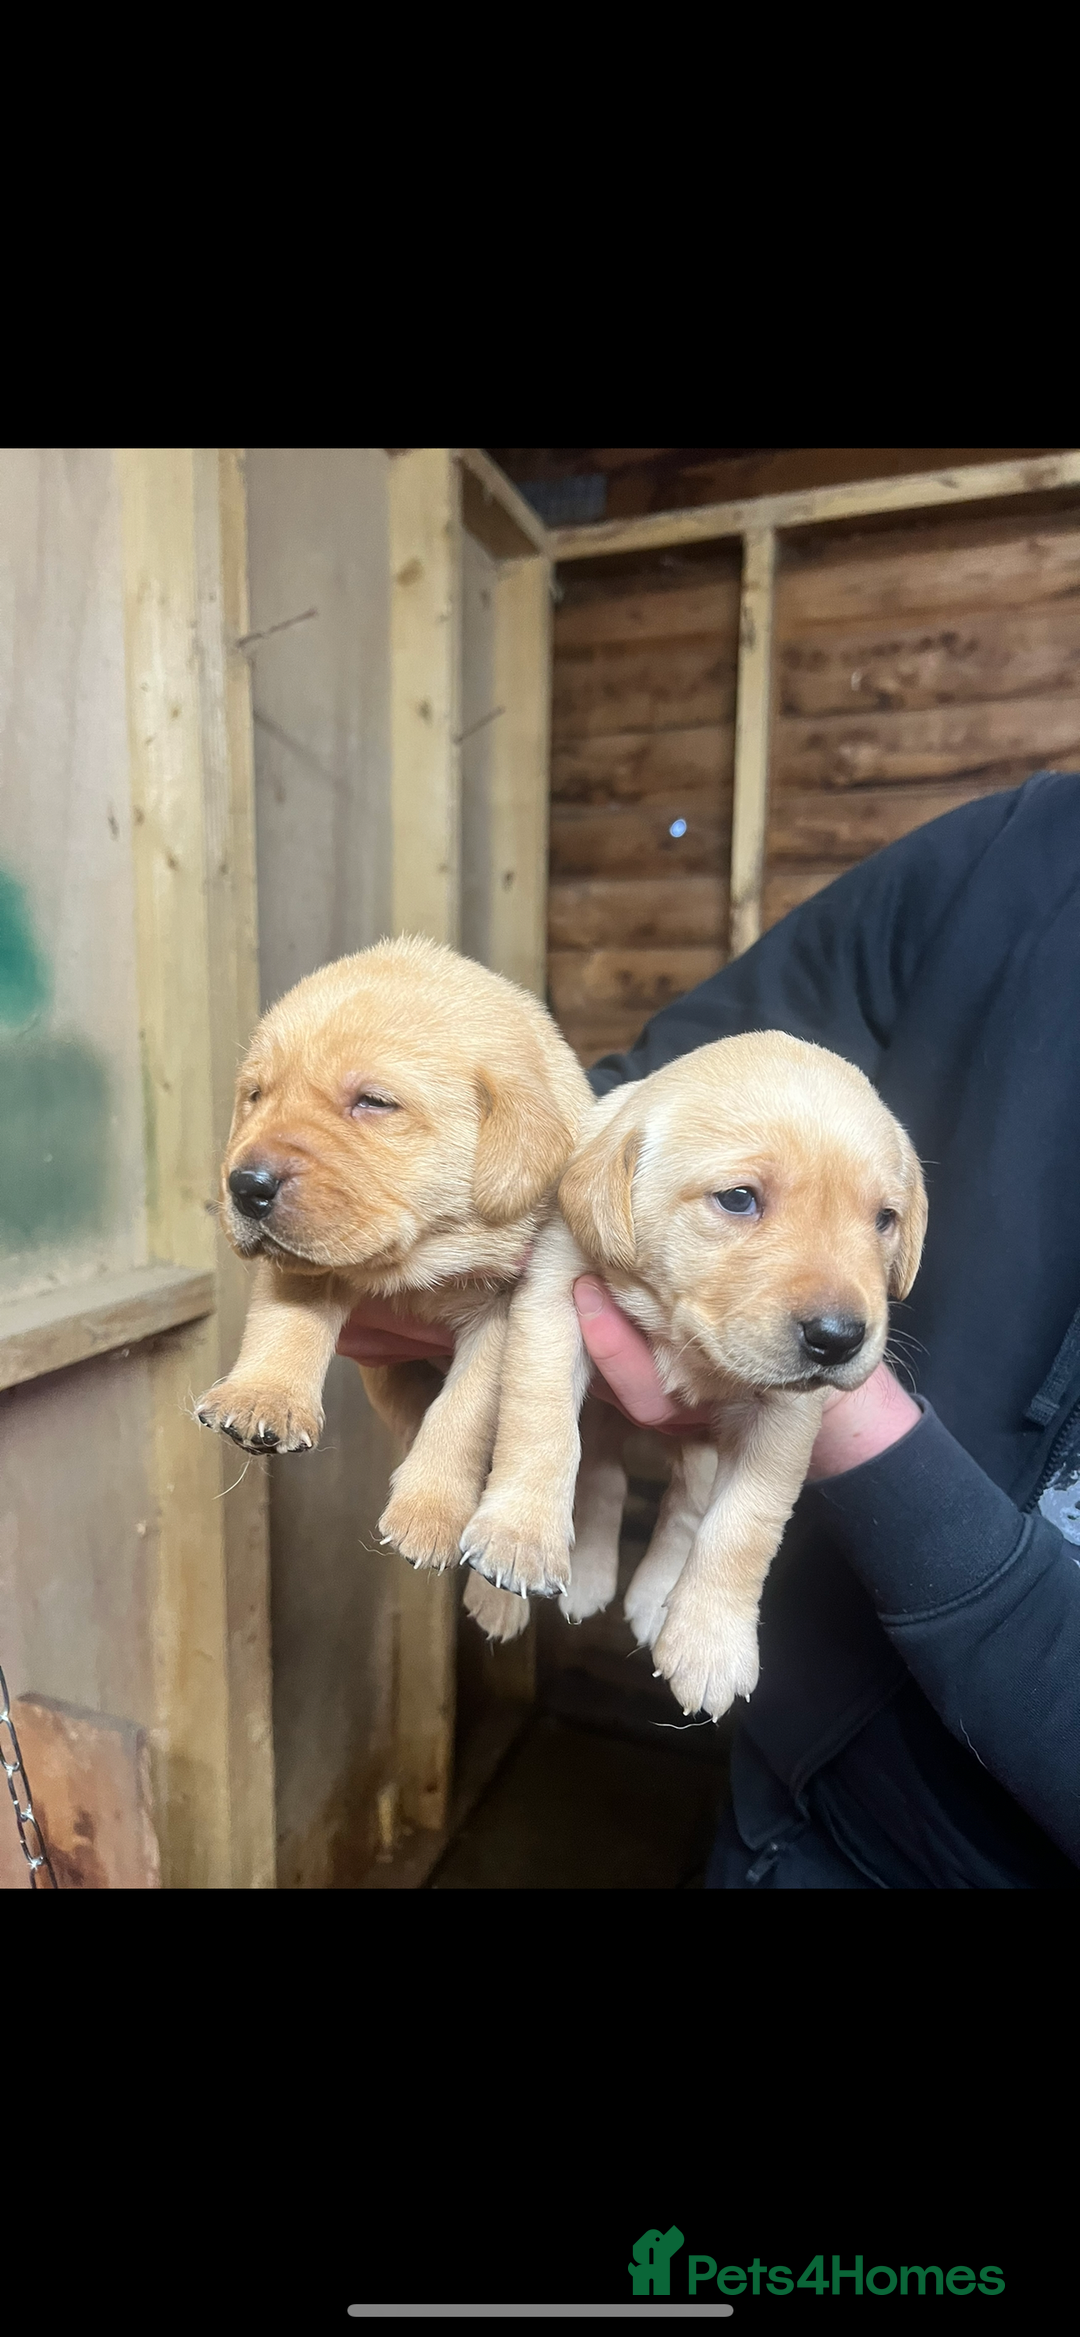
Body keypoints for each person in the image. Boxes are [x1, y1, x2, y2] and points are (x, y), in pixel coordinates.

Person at [338, 770, 1080, 1888]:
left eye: (884, 1220)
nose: (843, 1298)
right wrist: (424, 1194)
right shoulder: (1027, 854)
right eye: (746, 1199)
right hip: (797, 1796)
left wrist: (868, 1448)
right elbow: (652, 1095)